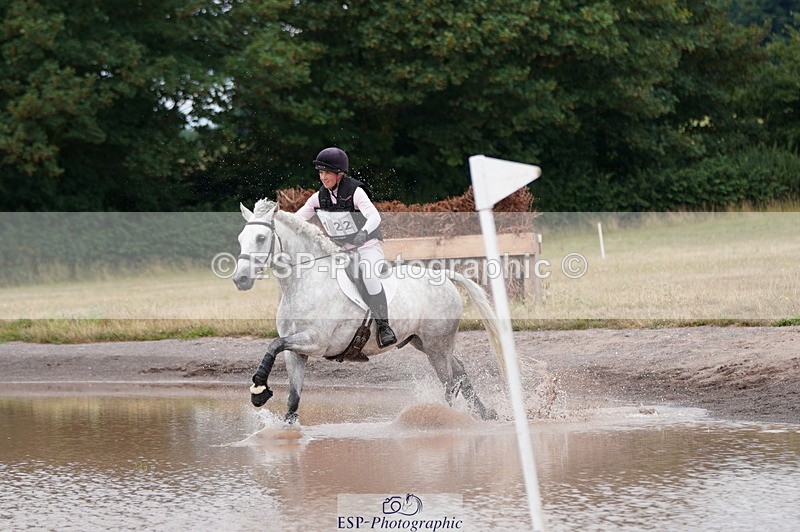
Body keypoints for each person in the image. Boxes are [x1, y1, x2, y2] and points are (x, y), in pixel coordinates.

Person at [295, 147, 397, 348]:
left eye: (327, 173)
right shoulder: (318, 198)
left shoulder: (355, 191)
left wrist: (364, 232)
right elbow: (297, 220)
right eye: (321, 173)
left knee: (368, 275)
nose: (323, 177)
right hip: (341, 252)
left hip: (367, 247)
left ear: (339, 174)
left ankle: (384, 325)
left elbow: (374, 216)